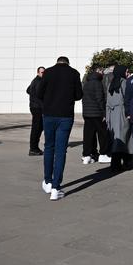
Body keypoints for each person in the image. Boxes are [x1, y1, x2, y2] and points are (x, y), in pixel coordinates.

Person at [37, 56, 82, 200]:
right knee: (61, 150)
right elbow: (79, 95)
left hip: (49, 114)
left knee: (49, 147)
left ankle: (48, 181)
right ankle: (56, 187)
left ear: (57, 62)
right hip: (66, 115)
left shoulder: (48, 72)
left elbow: (38, 93)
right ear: (68, 63)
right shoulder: (74, 73)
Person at [80, 66, 110, 164]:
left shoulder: (86, 83)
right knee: (103, 134)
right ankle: (103, 154)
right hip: (97, 113)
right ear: (98, 72)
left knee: (88, 135)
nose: (103, 73)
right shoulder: (97, 83)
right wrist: (104, 113)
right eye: (102, 71)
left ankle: (87, 155)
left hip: (87, 113)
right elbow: (100, 99)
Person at [105, 66, 133, 171]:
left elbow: (108, 100)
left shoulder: (111, 83)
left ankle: (117, 162)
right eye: (126, 71)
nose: (127, 73)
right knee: (125, 137)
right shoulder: (124, 82)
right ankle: (122, 162)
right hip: (122, 113)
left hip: (112, 114)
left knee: (117, 137)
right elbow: (127, 98)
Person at [26, 66, 46, 156]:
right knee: (36, 128)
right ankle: (33, 149)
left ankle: (34, 147)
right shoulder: (39, 81)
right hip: (37, 108)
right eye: (42, 72)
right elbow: (39, 95)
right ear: (38, 73)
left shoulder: (35, 81)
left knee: (38, 128)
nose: (43, 74)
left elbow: (28, 90)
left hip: (35, 107)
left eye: (44, 72)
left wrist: (32, 96)